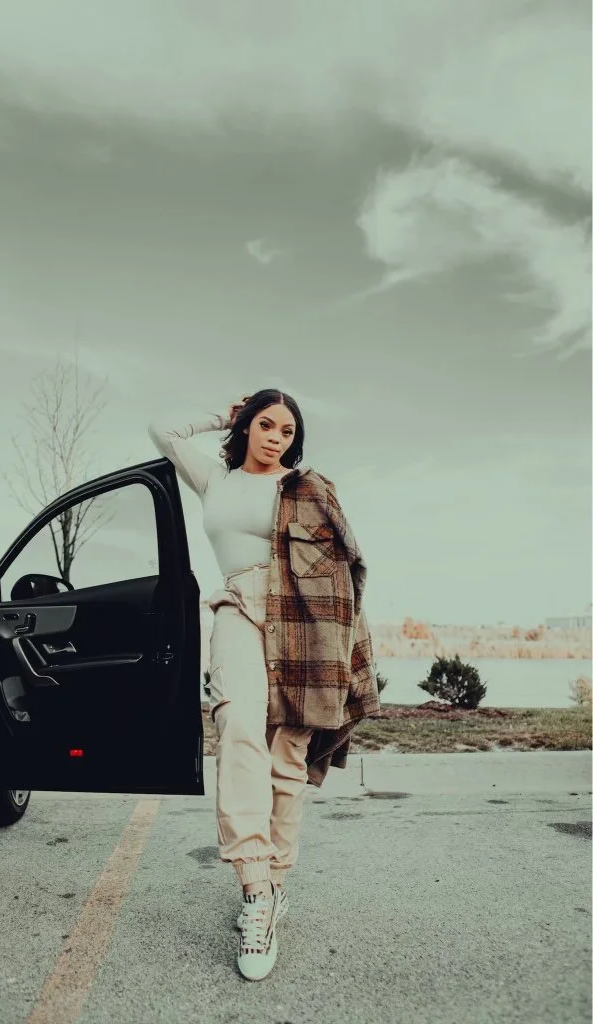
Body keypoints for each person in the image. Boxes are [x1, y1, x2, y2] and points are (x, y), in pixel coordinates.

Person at [148, 389, 378, 981]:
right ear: (247, 426)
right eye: (265, 425)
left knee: (287, 756)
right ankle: (254, 891)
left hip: (301, 616)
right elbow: (163, 431)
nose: (276, 437)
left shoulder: (302, 488)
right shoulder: (216, 480)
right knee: (240, 728)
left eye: (287, 430)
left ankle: (274, 888)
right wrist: (216, 416)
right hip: (236, 605)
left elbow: (346, 565)